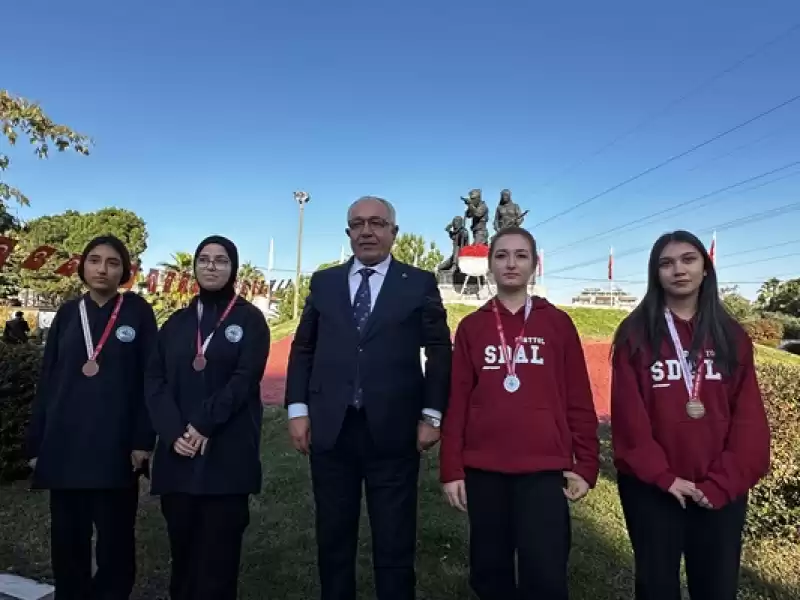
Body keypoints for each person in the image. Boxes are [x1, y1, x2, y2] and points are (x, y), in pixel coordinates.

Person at [285, 196, 452, 600]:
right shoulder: (324, 283)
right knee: (334, 539)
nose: (367, 231)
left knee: (394, 543)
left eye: (377, 223)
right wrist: (297, 409)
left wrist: (432, 415)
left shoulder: (419, 282)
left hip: (394, 433)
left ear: (394, 232)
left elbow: (439, 350)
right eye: (357, 224)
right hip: (331, 429)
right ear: (347, 233)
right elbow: (303, 348)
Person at [439, 226, 599, 600]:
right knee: (489, 572)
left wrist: (586, 463)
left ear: (534, 264)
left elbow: (578, 397)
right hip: (485, 470)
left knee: (544, 573)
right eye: (501, 255)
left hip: (544, 470)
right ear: (490, 265)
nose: (511, 263)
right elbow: (458, 401)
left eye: (521, 255)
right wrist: (451, 468)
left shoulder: (557, 324)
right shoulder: (472, 327)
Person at [610, 230, 770, 600]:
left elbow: (749, 421)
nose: (678, 270)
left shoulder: (732, 336)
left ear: (705, 269)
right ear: (655, 274)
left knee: (717, 588)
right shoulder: (635, 335)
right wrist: (662, 477)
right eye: (666, 263)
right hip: (653, 489)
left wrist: (721, 483)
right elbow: (629, 421)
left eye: (688, 260)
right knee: (655, 586)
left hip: (719, 488)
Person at [24, 235, 158, 600]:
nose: (103, 269)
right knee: (68, 544)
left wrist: (142, 441)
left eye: (113, 262)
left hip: (116, 450)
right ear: (83, 266)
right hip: (66, 447)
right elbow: (48, 381)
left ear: (124, 271)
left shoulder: (138, 313)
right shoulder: (68, 314)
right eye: (95, 260)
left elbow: (151, 381)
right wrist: (38, 443)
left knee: (116, 545)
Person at [145, 235, 270, 600]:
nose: (211, 266)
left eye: (220, 260)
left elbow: (245, 378)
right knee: (182, 556)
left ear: (233, 268)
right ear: (194, 267)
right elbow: (154, 380)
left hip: (226, 456)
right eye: (204, 260)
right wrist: (172, 432)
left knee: (218, 561)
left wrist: (203, 424)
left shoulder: (250, 319)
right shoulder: (178, 322)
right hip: (178, 455)